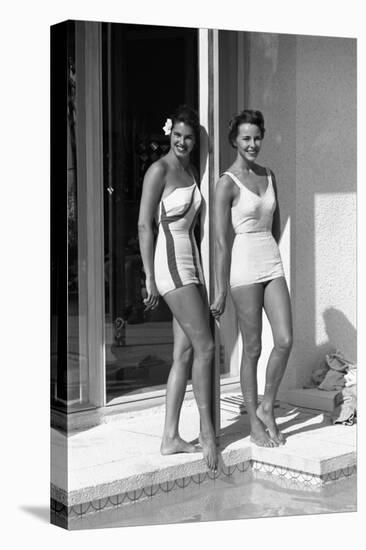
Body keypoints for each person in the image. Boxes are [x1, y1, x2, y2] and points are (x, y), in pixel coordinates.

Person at [138, 105, 218, 469]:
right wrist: (149, 276)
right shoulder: (159, 170)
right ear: (168, 134)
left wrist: (203, 276)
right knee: (206, 346)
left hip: (190, 266)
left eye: (189, 137)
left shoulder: (188, 170)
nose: (183, 142)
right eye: (178, 135)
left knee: (184, 354)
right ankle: (207, 432)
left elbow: (195, 230)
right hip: (169, 266)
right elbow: (144, 225)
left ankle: (170, 437)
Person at [211, 109, 293, 447]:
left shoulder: (270, 175)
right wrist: (220, 291)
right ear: (235, 140)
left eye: (257, 137)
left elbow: (275, 223)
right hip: (243, 266)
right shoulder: (225, 183)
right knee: (254, 347)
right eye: (246, 138)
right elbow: (219, 242)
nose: (253, 144)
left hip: (271, 262)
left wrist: (274, 254)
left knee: (285, 340)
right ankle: (254, 426)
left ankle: (266, 406)